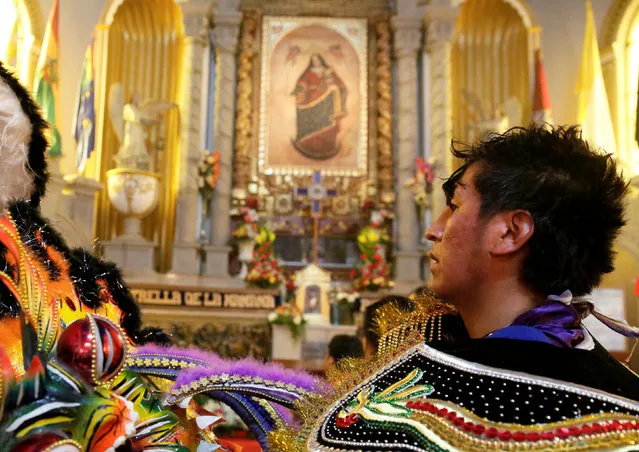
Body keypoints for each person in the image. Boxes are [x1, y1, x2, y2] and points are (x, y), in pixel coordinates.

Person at [277, 125, 639, 451]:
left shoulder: (427, 390)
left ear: (509, 233)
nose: (433, 230)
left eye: (454, 206)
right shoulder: (621, 388)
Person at [291, 53, 347, 160]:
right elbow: (301, 85)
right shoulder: (308, 73)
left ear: (321, 60)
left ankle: (327, 146)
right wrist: (304, 88)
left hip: (328, 101)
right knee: (312, 120)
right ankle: (309, 145)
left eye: (317, 59)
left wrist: (335, 86)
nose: (316, 62)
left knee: (326, 120)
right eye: (313, 60)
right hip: (311, 100)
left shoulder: (329, 71)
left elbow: (341, 86)